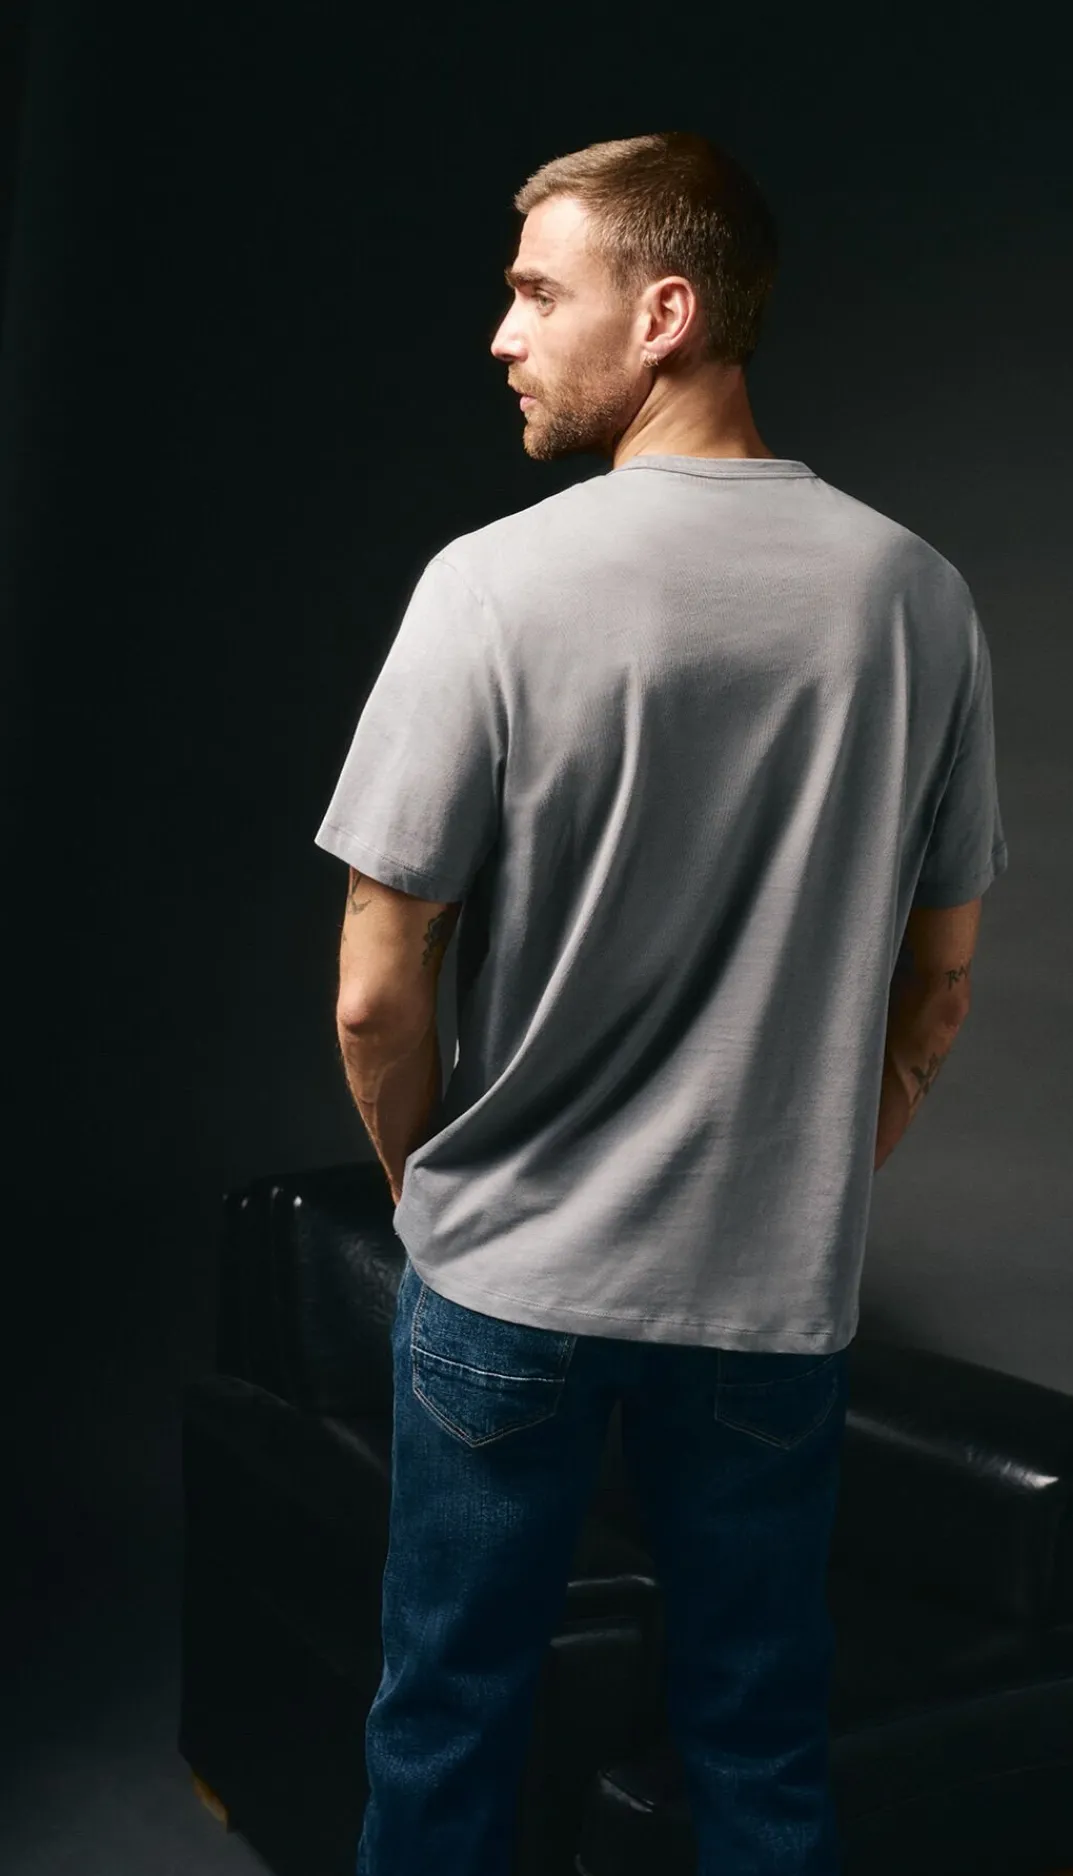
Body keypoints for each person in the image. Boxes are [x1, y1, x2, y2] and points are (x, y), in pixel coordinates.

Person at [314, 130, 1008, 1876]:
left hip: (513, 1278)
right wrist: (814, 1177)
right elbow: (941, 979)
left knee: (446, 1720)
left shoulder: (492, 582)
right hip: (771, 1297)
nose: (503, 334)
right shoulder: (917, 597)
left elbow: (377, 993)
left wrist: (431, 1189)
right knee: (758, 1738)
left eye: (538, 292)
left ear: (667, 313)